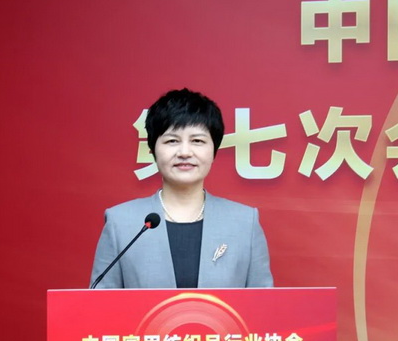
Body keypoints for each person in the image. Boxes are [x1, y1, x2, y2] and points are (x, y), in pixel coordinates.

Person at [90, 88, 273, 288]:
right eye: (172, 141)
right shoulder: (120, 222)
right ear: (152, 148)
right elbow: (99, 303)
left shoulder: (245, 222)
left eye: (197, 141)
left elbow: (263, 303)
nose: (185, 152)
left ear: (214, 149)